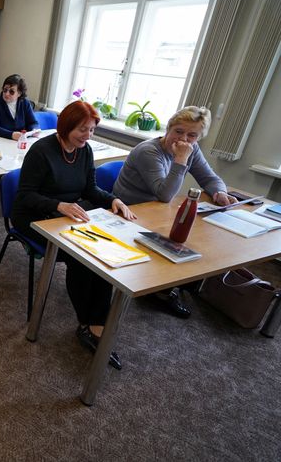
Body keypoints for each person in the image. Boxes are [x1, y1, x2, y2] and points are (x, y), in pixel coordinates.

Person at [13, 101, 137, 370]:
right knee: (80, 257)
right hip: (33, 215)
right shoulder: (42, 151)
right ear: (67, 126)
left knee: (101, 253)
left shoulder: (85, 151)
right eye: (83, 130)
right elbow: (24, 196)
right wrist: (58, 205)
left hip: (66, 215)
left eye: (91, 130)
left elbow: (90, 188)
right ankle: (88, 323)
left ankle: (98, 323)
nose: (87, 136)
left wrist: (112, 199)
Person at [113, 105, 237, 318]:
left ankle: (167, 286)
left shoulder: (192, 149)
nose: (184, 139)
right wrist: (181, 160)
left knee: (203, 234)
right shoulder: (149, 151)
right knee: (183, 236)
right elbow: (164, 194)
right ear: (168, 129)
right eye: (178, 131)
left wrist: (219, 192)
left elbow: (209, 177)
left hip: (159, 212)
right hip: (130, 213)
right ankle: (160, 290)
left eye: (192, 135)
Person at [0, 74, 39, 139]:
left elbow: (33, 122)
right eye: (5, 90)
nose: (7, 94)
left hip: (14, 142)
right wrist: (11, 135)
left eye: (11, 91)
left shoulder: (25, 103)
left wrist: (34, 129)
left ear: (19, 93)